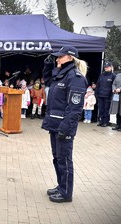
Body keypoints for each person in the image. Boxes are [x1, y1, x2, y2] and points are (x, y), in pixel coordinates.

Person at [42, 45, 87, 203]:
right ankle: (61, 186)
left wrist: (65, 128)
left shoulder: (75, 77)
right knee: (57, 158)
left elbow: (75, 109)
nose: (57, 58)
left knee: (65, 160)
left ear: (70, 57)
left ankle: (66, 193)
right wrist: (47, 66)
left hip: (64, 127)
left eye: (60, 56)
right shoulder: (61, 74)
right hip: (55, 125)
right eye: (56, 56)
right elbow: (47, 81)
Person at [95, 62, 116, 127]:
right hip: (100, 95)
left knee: (106, 109)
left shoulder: (113, 76)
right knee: (101, 109)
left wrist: (112, 95)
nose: (106, 68)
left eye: (107, 67)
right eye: (105, 67)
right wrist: (96, 93)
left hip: (108, 96)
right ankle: (101, 121)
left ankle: (106, 122)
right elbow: (98, 85)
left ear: (111, 67)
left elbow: (114, 86)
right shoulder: (101, 75)